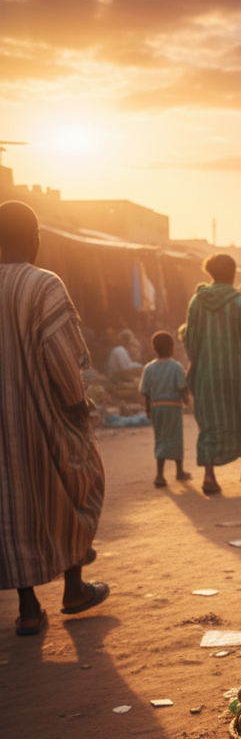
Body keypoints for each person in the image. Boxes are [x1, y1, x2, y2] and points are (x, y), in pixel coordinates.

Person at [0, 200, 109, 635]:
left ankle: (29, 610)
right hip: (41, 418)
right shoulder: (42, 284)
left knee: (12, 508)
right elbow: (63, 360)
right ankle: (74, 586)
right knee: (73, 490)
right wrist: (78, 406)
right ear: (33, 237)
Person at [180, 253, 241, 495]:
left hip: (206, 375)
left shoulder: (196, 302)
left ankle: (209, 476)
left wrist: (198, 363)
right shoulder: (240, 302)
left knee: (210, 423)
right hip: (237, 374)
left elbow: (189, 340)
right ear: (233, 274)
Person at [139, 330, 191, 488]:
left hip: (156, 407)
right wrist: (186, 399)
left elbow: (146, 392)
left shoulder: (149, 368)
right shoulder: (176, 367)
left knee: (160, 438)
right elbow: (182, 387)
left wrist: (148, 409)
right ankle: (179, 471)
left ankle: (160, 474)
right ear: (171, 348)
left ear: (154, 348)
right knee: (176, 437)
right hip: (173, 407)